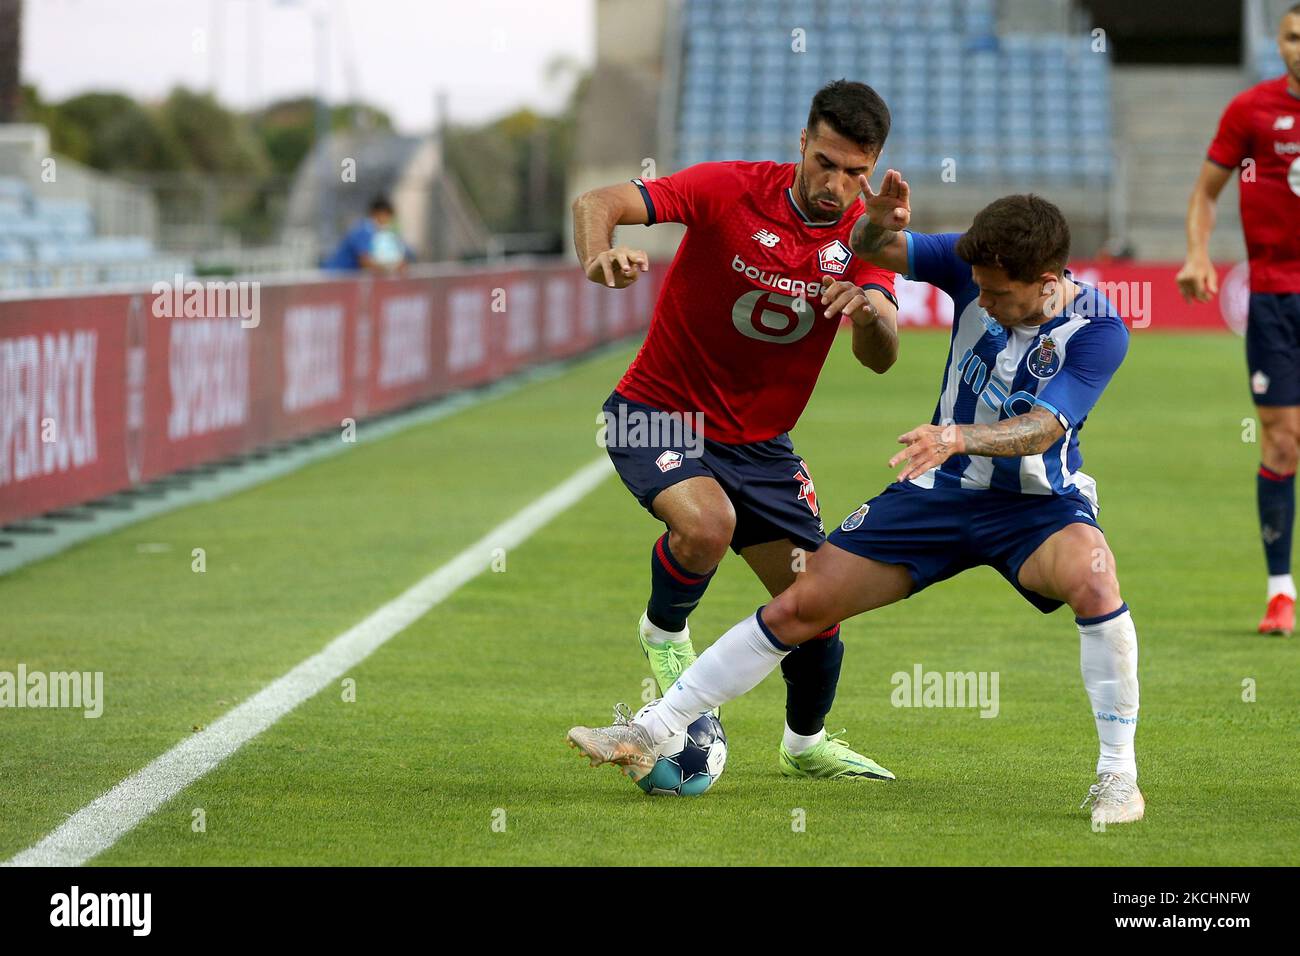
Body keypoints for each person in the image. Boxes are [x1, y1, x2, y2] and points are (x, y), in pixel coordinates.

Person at [570, 183, 1146, 826]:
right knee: (803, 604)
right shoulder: (967, 259)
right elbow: (873, 249)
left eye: (996, 293)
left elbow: (1044, 427)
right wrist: (875, 225)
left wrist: (960, 436)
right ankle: (654, 730)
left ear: (1045, 282)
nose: (978, 298)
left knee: (1095, 579)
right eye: (974, 285)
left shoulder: (1099, 328)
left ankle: (1117, 776)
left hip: (1037, 508)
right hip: (938, 492)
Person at [570, 80, 901, 779]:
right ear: (802, 146)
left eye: (855, 173)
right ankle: (665, 634)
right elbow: (599, 201)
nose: (837, 185)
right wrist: (599, 254)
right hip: (657, 411)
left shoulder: (868, 235)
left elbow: (881, 357)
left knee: (816, 605)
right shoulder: (727, 188)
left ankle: (805, 746)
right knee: (707, 525)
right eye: (826, 163)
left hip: (761, 446)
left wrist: (869, 315)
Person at [1176, 2, 1300, 636]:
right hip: (1277, 300)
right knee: (1282, 439)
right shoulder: (1251, 111)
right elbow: (1205, 193)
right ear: (1279, 43)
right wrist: (1198, 252)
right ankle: (1281, 591)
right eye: (1294, 37)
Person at [322, 195, 413, 274]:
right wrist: (392, 268)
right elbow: (365, 262)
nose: (387, 221)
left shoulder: (382, 233)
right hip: (335, 276)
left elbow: (405, 254)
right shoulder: (364, 229)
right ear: (377, 214)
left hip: (345, 279)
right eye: (386, 216)